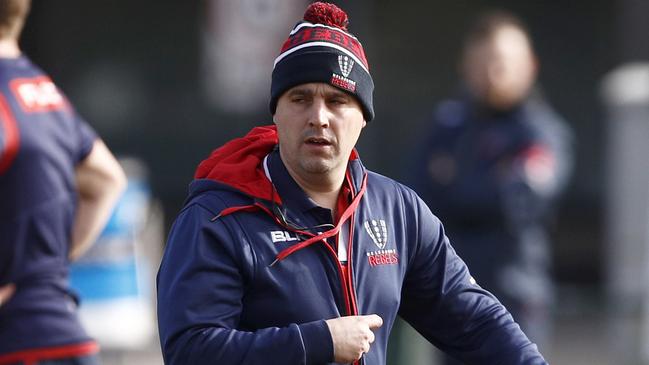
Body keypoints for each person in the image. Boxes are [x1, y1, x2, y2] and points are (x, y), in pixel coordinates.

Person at [157, 3, 548, 364]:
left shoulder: (397, 210)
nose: (319, 117)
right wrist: (318, 342)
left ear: (363, 117)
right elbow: (191, 350)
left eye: (337, 100)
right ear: (275, 114)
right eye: (300, 98)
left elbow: (473, 320)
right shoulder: (217, 218)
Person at [408, 11, 573, 363]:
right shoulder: (448, 125)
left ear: (529, 65)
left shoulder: (541, 133)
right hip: (453, 297)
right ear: (465, 66)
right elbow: (419, 196)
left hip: (515, 300)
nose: (491, 73)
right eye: (481, 62)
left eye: (501, 62)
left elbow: (519, 200)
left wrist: (457, 185)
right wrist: (486, 182)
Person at [0, 0, 127, 364]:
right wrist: (43, 268)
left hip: (16, 345)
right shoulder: (40, 89)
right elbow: (106, 180)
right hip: (66, 338)